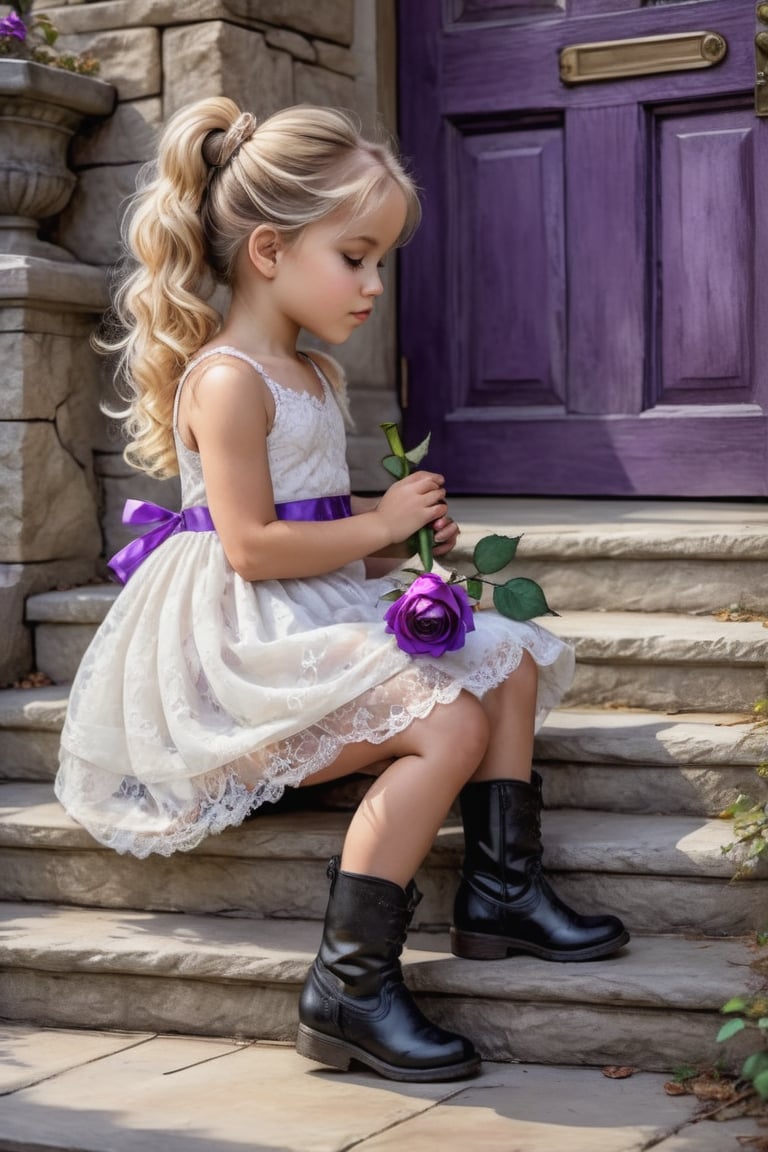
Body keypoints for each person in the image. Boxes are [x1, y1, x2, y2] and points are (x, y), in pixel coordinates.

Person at [54, 97, 629, 1084]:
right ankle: (348, 985)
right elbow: (252, 548)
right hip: (242, 646)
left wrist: (391, 542)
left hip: (314, 609)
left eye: (379, 262)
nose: (370, 285)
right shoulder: (228, 379)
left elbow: (321, 534)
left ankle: (501, 892)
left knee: (510, 653)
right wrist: (383, 524)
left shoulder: (312, 373)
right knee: (449, 721)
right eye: (354, 257)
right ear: (269, 250)